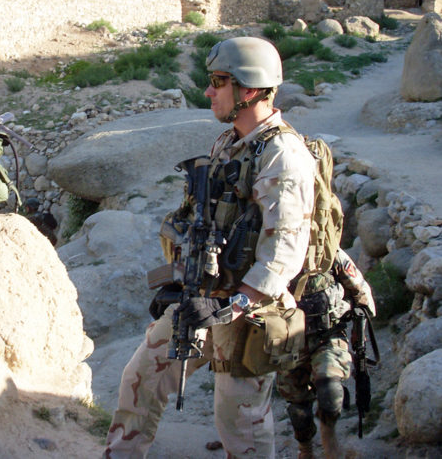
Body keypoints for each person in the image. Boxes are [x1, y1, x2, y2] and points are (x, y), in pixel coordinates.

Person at [104, 36, 316, 458]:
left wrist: (231, 304)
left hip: (253, 310)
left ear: (249, 89)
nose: (208, 91)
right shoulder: (229, 143)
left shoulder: (283, 155)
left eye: (218, 81)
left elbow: (283, 257)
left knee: (240, 425)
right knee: (141, 377)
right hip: (208, 298)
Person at [278, 247, 376, 459]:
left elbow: (360, 290)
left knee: (330, 392)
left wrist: (361, 327)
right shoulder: (275, 252)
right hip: (289, 343)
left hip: (328, 335)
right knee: (298, 410)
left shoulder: (328, 253)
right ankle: (306, 450)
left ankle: (329, 437)